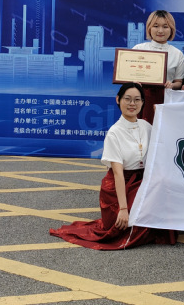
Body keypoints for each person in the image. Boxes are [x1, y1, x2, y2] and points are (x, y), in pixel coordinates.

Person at [49, 82, 177, 250]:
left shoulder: (146, 126)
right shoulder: (114, 133)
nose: (132, 104)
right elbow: (117, 174)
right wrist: (123, 208)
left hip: (142, 181)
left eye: (137, 100)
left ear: (142, 102)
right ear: (118, 100)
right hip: (120, 186)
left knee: (161, 195)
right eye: (127, 99)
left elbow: (165, 141)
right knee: (129, 221)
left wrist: (161, 118)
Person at [132, 10, 184, 123]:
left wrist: (172, 85)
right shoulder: (138, 49)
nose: (160, 30)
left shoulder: (177, 54)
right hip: (138, 102)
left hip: (165, 102)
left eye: (165, 27)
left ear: (171, 29)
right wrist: (133, 82)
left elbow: (179, 82)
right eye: (156, 26)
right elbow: (127, 77)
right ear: (149, 28)